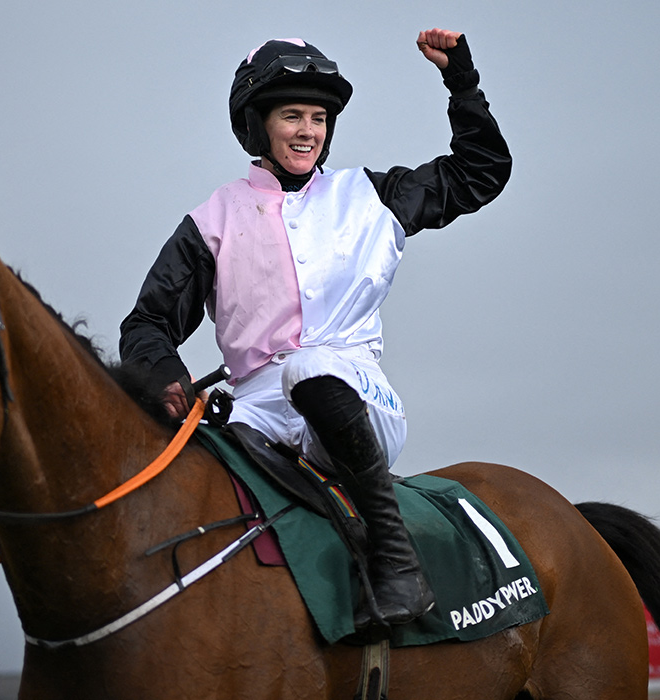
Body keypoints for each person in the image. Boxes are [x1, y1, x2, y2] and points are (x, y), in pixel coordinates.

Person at [120, 28, 510, 628]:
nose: (308, 131)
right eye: (292, 116)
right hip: (254, 413)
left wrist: (461, 80)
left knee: (309, 366)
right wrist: (166, 376)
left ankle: (398, 563)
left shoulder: (373, 195)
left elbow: (481, 172)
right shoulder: (211, 220)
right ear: (257, 125)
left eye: (319, 118)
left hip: (358, 394)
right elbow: (148, 321)